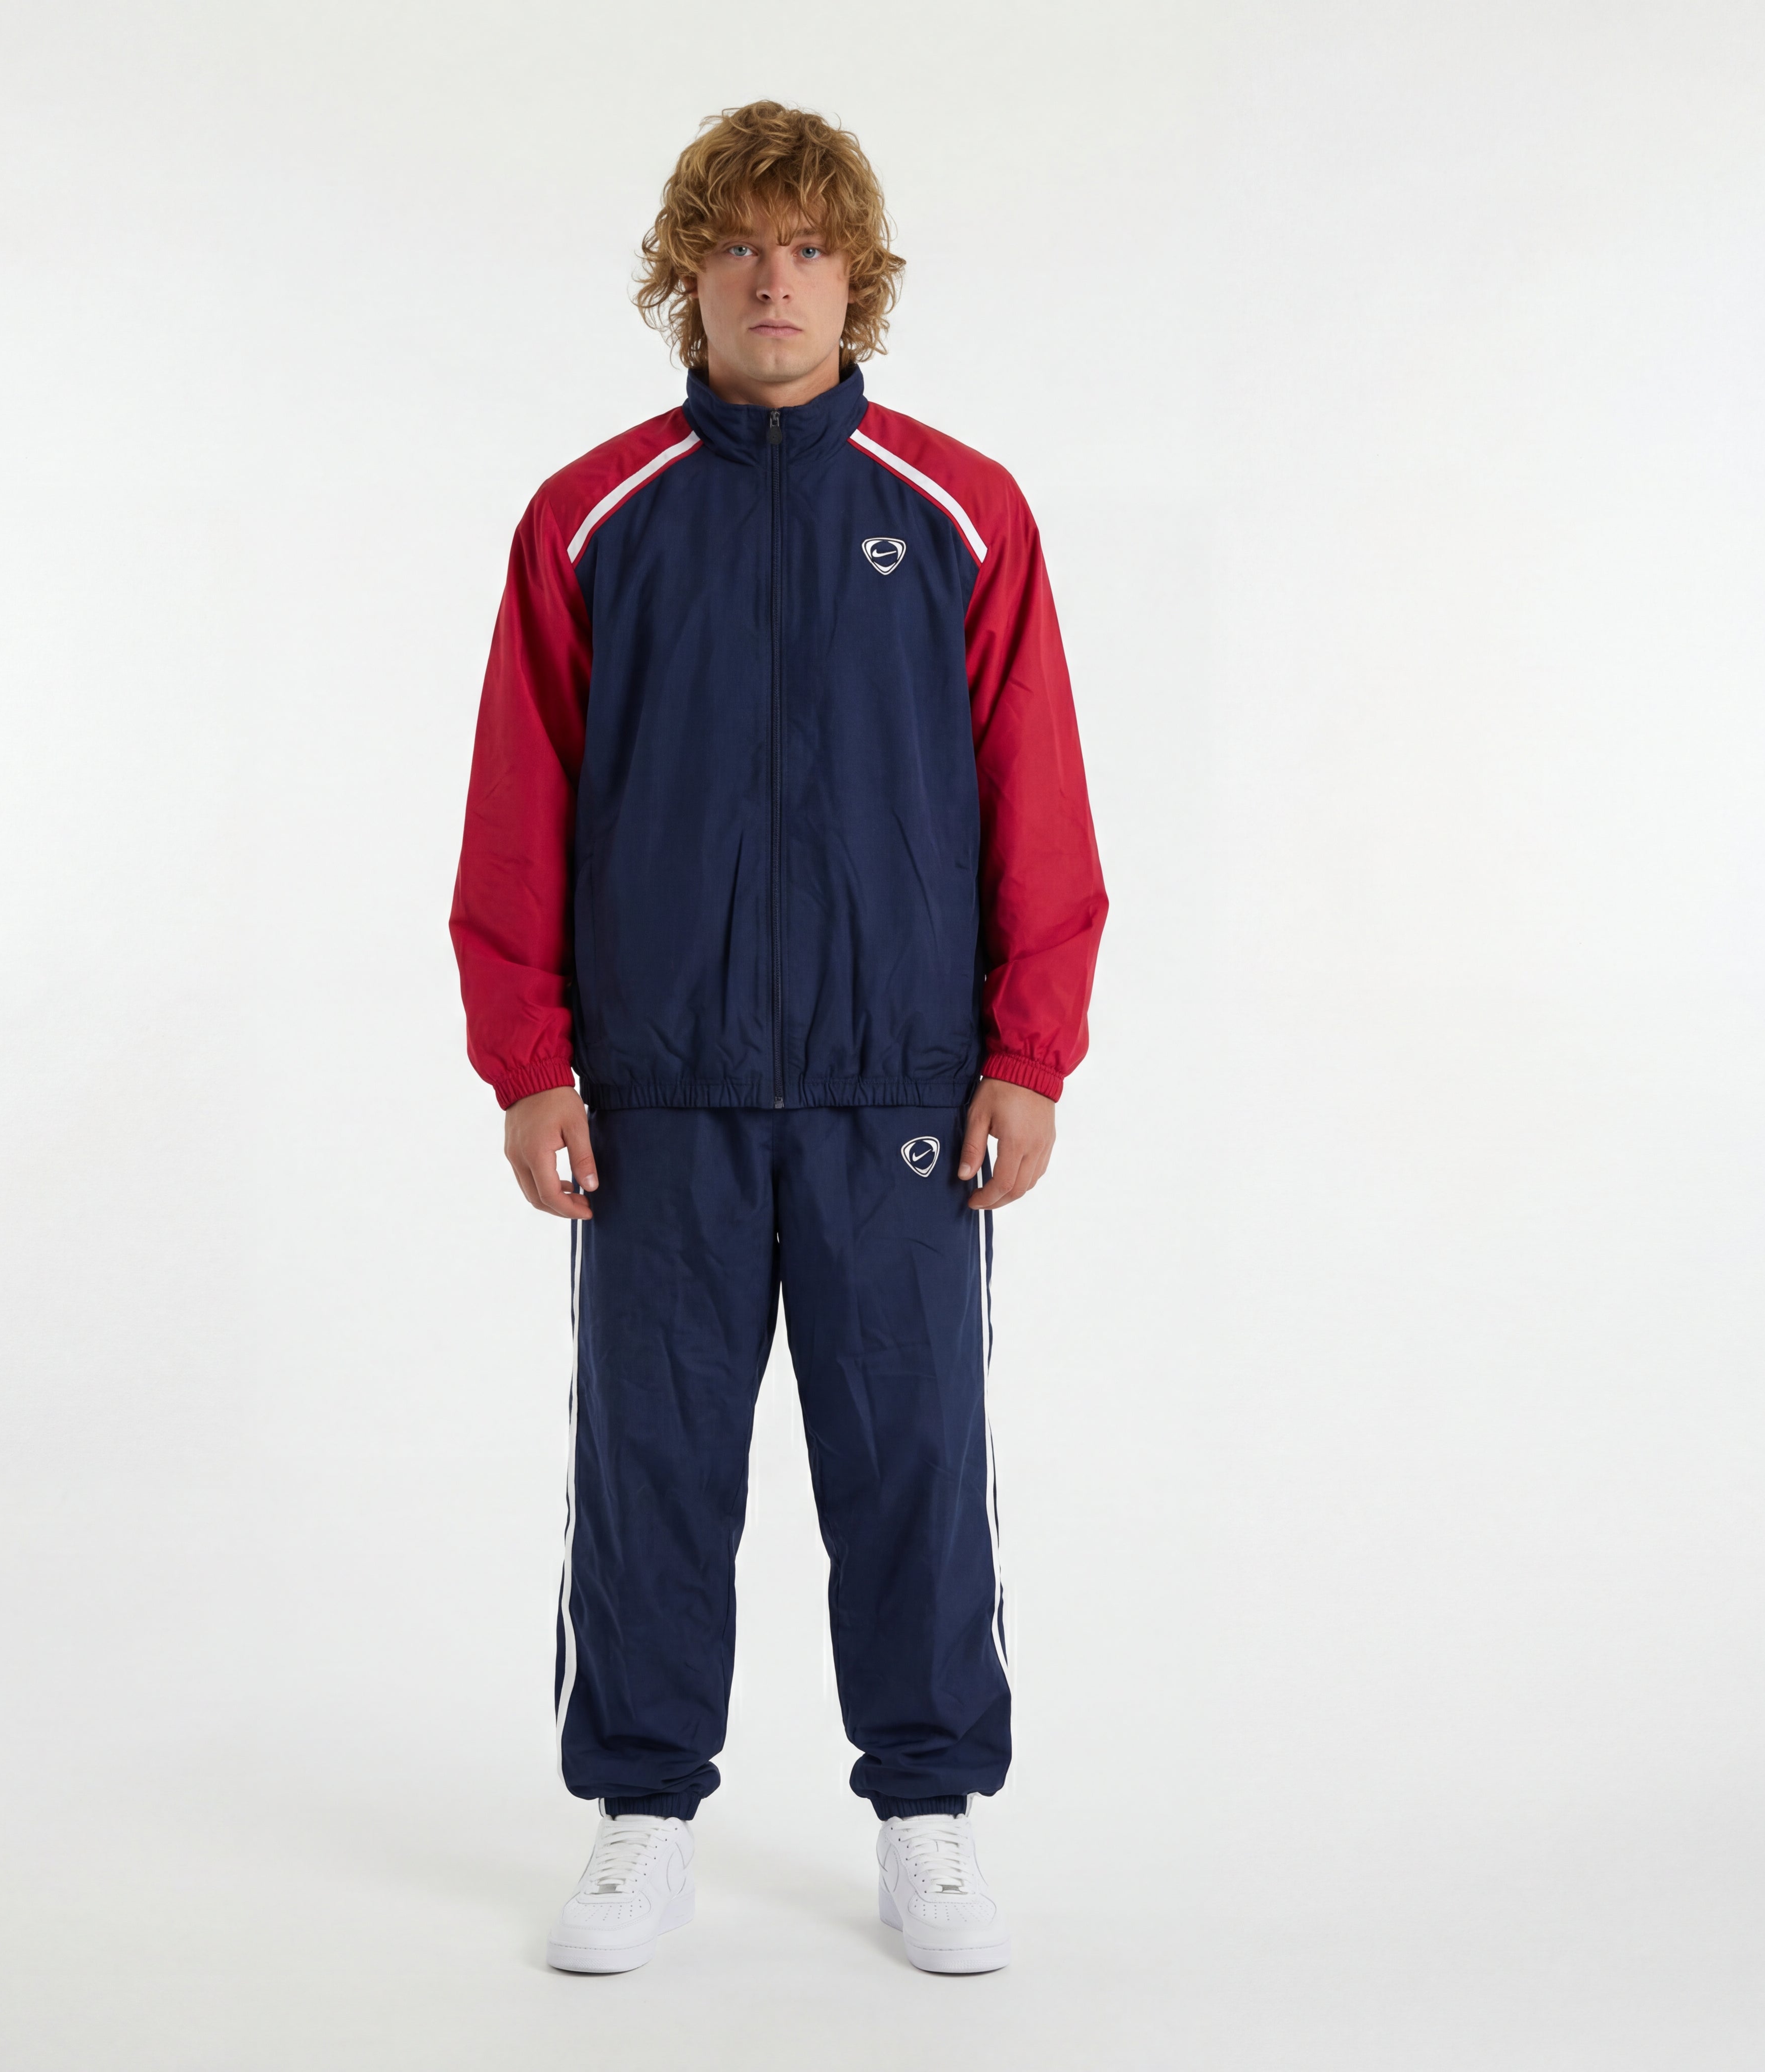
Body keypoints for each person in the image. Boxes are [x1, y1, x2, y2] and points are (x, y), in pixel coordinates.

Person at [449, 101, 1106, 1976]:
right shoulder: (591, 520)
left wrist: (1029, 1049)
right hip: (657, 1096)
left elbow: (1034, 796)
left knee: (913, 1460)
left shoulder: (963, 514)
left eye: (808, 247)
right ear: (688, 271)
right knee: (650, 1465)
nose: (772, 279)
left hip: (901, 1091)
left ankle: (929, 1812)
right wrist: (531, 1058)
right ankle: (642, 1811)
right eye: (738, 244)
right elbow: (522, 807)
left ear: (855, 277)